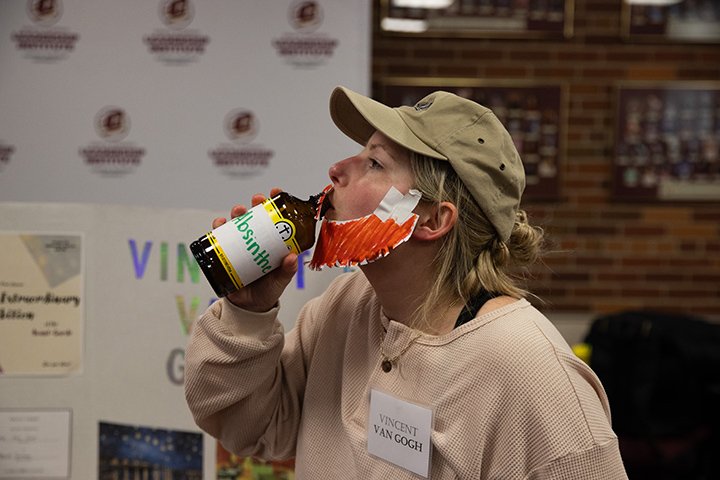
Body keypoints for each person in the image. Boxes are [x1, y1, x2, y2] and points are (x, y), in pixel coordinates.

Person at [184, 86, 628, 479]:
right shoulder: (350, 302)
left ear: (431, 219)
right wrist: (249, 313)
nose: (337, 168)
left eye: (375, 163)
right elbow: (251, 427)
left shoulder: (531, 377)